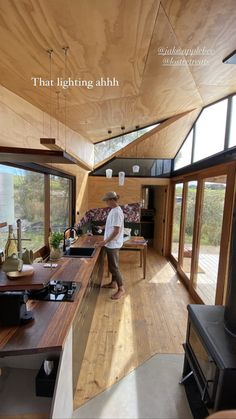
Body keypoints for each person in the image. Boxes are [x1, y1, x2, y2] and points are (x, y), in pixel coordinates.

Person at [96, 191, 125, 300]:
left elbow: (116, 231)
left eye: (106, 200)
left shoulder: (117, 212)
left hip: (113, 244)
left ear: (112, 200)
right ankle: (113, 283)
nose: (106, 203)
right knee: (112, 265)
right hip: (110, 243)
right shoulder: (113, 210)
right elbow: (111, 225)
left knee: (114, 267)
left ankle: (121, 289)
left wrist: (104, 242)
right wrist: (103, 227)